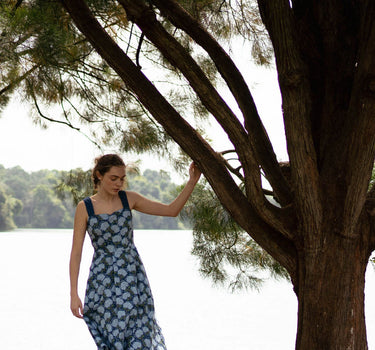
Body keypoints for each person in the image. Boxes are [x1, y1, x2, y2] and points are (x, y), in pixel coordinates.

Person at [69, 154, 201, 350]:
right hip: (102, 282)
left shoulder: (129, 199)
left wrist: (192, 181)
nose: (119, 183)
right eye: (114, 178)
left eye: (122, 179)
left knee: (140, 335)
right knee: (112, 339)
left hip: (133, 278)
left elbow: (171, 210)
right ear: (99, 175)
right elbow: (76, 253)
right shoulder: (85, 207)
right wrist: (73, 293)